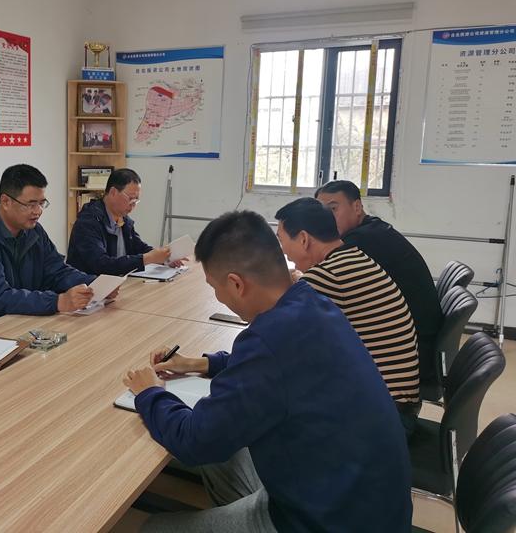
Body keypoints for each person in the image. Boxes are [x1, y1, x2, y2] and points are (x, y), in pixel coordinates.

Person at [123, 210, 412, 533]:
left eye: (215, 287)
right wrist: (197, 363)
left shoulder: (269, 340)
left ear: (236, 284)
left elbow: (192, 441)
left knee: (153, 528)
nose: (217, 296)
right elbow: (276, 367)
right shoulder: (311, 302)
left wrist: (150, 393)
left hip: (325, 522)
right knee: (225, 453)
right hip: (363, 502)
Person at [275, 197, 421, 435]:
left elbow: (275, 334)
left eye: (281, 241)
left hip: (383, 419)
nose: (282, 251)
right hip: (395, 405)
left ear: (303, 239)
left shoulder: (327, 276)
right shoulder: (352, 258)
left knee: (272, 407)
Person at [0, 164, 107, 332]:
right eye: (30, 204)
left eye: (41, 203)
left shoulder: (34, 231)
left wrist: (96, 285)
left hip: (17, 320)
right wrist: (58, 302)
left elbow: (57, 272)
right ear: (5, 201)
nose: (38, 211)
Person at [316, 180, 444, 387]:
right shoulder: (373, 229)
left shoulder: (360, 241)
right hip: (416, 344)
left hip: (410, 355)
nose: (325, 219)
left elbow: (323, 285)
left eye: (332, 209)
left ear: (357, 207)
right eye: (320, 212)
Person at [67, 169, 184, 275]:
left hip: (118, 283)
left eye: (136, 200)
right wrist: (147, 258)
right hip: (89, 287)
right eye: (131, 198)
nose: (133, 205)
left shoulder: (123, 219)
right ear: (113, 192)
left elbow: (138, 247)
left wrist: (164, 258)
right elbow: (101, 264)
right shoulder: (87, 223)